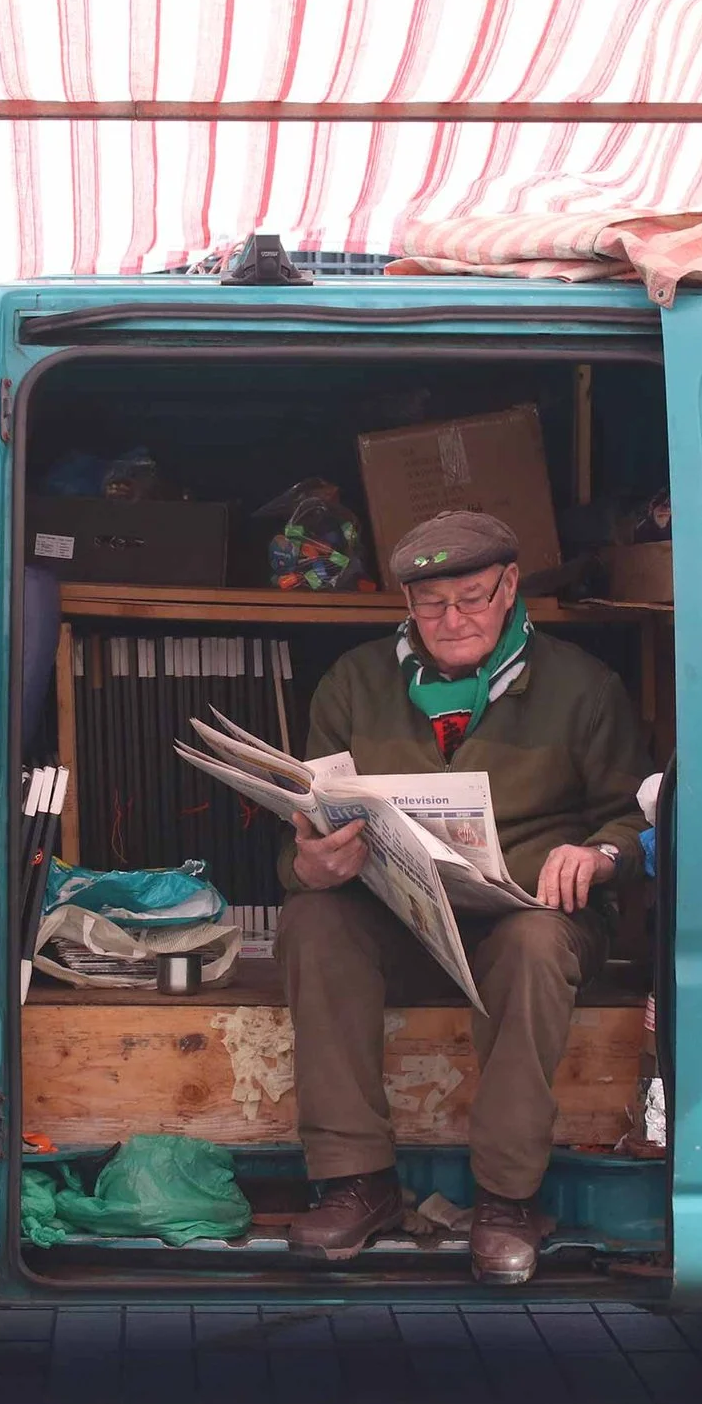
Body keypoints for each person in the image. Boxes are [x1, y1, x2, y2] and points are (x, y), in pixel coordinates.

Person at [274, 510, 651, 1284]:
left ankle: (507, 1199)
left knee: (536, 944)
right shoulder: (354, 680)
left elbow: (634, 813)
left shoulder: (583, 684)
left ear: (511, 587)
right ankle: (356, 1179)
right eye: (431, 604)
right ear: (405, 603)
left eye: (474, 598)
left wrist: (599, 853)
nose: (453, 620)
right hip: (399, 915)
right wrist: (310, 863)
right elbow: (309, 823)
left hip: (526, 916)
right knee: (313, 919)